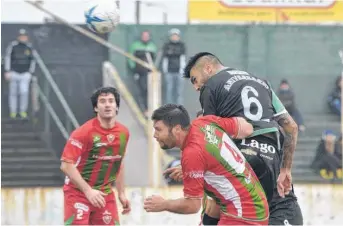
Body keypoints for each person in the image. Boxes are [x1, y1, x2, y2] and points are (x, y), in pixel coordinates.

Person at [182, 52, 302, 225]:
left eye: (194, 79)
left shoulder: (211, 85)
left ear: (208, 68)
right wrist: (286, 169)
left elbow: (209, 135)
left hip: (242, 156)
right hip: (271, 155)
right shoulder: (262, 83)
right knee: (278, 203)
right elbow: (291, 126)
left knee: (218, 198)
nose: (195, 86)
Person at [143, 104, 269, 225]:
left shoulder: (192, 153)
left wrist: (164, 204)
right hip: (252, 205)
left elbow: (192, 205)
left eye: (158, 129)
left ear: (177, 129)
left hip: (244, 214)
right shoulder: (205, 122)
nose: (155, 135)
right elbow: (246, 128)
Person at [60, 87, 131, 225]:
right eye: (102, 101)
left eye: (111, 101)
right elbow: (66, 165)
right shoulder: (83, 132)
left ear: (116, 107)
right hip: (78, 193)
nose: (107, 104)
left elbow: (118, 162)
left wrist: (121, 193)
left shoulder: (124, 133)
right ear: (96, 108)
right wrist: (88, 191)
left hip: (104, 193)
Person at [4, 28, 36, 119]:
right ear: (18, 37)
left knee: (24, 92)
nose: (23, 38)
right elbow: (8, 58)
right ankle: (13, 112)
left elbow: (33, 60)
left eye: (24, 36)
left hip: (25, 73)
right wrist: (7, 70)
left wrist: (30, 72)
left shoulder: (29, 47)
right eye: (21, 36)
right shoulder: (13, 46)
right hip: (14, 72)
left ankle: (22, 111)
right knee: (13, 93)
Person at [128, 30, 157, 115]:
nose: (145, 37)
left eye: (147, 36)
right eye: (144, 36)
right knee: (140, 91)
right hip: (139, 73)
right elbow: (130, 58)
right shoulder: (135, 45)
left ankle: (149, 109)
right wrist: (134, 69)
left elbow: (154, 60)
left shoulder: (152, 46)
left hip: (149, 74)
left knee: (148, 91)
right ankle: (141, 109)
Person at [161, 28, 186, 105]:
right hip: (169, 72)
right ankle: (169, 107)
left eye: (176, 36)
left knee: (179, 91)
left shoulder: (182, 45)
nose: (174, 37)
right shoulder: (166, 45)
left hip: (179, 72)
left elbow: (182, 57)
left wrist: (182, 70)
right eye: (173, 35)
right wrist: (165, 71)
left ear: (178, 37)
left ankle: (179, 108)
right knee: (169, 90)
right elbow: (165, 58)